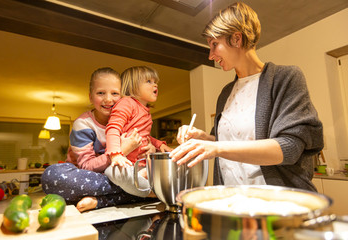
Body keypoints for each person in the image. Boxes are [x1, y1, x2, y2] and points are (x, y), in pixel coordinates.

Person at [169, 2, 323, 192]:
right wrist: (205, 138)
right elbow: (229, 141)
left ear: (236, 39)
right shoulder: (226, 93)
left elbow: (289, 148)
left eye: (215, 45)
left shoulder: (286, 78)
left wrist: (215, 148)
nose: (210, 55)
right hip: (235, 202)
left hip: (278, 202)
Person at [42, 67, 157, 212]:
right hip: (89, 178)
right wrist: (122, 150)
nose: (108, 99)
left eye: (115, 93)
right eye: (101, 93)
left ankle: (105, 199)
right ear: (90, 97)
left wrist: (151, 147)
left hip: (120, 175)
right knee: (53, 175)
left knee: (156, 173)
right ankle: (138, 190)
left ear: (123, 96)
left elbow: (144, 137)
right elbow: (86, 166)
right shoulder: (82, 124)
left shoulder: (125, 117)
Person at [104, 66, 172, 197]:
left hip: (142, 165)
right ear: (133, 86)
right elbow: (112, 128)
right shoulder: (126, 103)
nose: (155, 85)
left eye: (155, 81)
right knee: (114, 172)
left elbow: (145, 136)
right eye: (149, 81)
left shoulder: (146, 112)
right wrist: (116, 155)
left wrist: (159, 145)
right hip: (126, 164)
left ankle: (142, 182)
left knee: (170, 167)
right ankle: (151, 191)